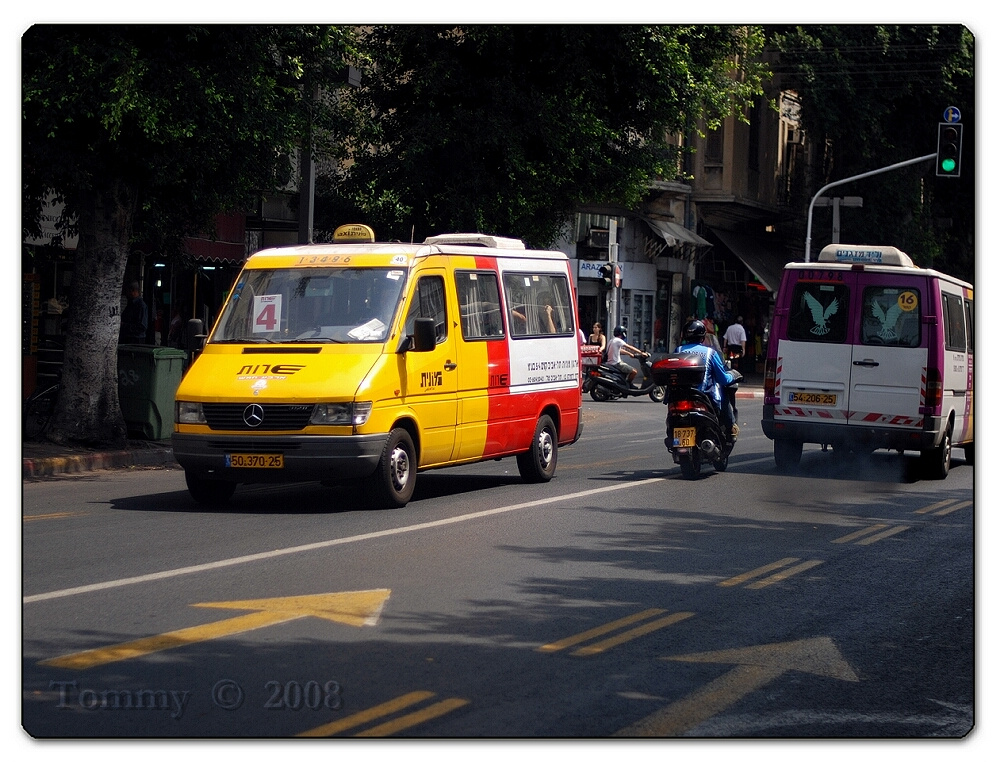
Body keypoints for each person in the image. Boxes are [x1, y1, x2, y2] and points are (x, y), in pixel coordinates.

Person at [677, 319, 740, 441]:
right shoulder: (710, 353)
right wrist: (733, 375)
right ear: (703, 336)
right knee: (724, 393)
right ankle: (730, 427)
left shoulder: (678, 351)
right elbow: (723, 379)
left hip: (681, 396)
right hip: (706, 397)